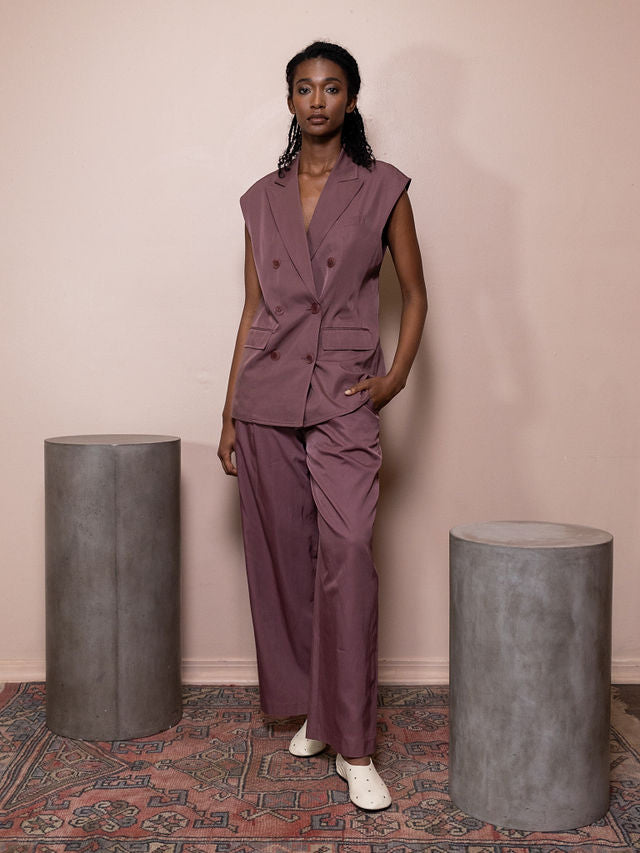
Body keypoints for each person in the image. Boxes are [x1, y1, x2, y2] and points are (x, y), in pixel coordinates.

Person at [217, 40, 427, 809]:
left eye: (331, 88)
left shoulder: (383, 188)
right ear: (289, 100)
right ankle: (315, 706)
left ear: (351, 99)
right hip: (266, 399)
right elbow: (253, 309)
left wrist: (394, 378)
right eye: (304, 88)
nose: (317, 101)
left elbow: (417, 294)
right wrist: (230, 412)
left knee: (346, 549)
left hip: (344, 394)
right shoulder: (259, 198)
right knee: (287, 557)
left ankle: (358, 745)